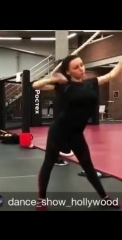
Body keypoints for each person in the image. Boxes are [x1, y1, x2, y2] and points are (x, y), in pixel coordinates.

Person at [32, 55, 121, 211]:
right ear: (68, 71)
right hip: (59, 132)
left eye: (82, 65)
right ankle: (41, 200)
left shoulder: (91, 83)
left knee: (88, 166)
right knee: (48, 164)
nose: (81, 69)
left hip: (77, 134)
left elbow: (112, 75)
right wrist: (52, 80)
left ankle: (104, 197)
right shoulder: (63, 86)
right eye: (76, 67)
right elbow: (35, 85)